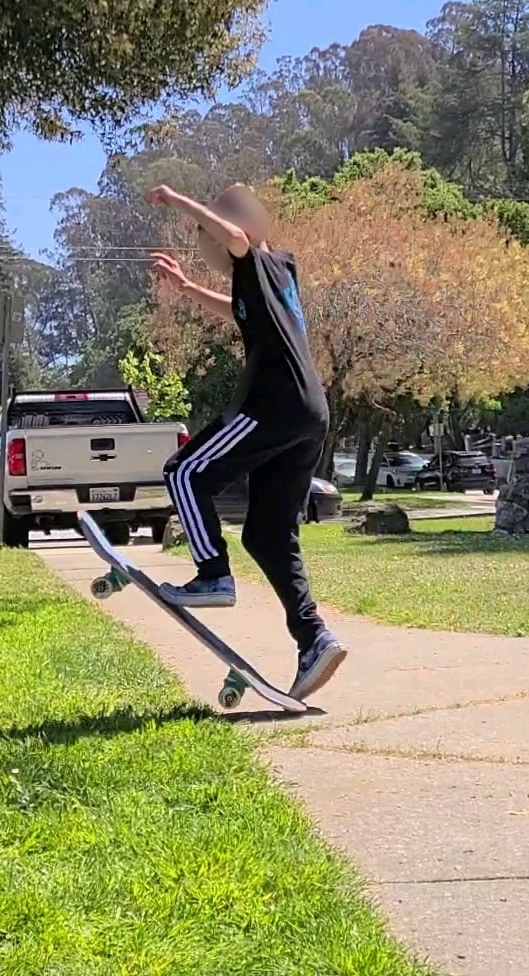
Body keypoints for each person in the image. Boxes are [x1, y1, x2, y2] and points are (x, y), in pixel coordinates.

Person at [145, 181, 347, 701]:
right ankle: (314, 638)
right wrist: (188, 288)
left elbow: (236, 235)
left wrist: (177, 199)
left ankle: (213, 574)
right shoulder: (278, 273)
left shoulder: (253, 256)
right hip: (308, 416)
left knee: (183, 472)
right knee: (267, 533)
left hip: (271, 406)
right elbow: (236, 311)